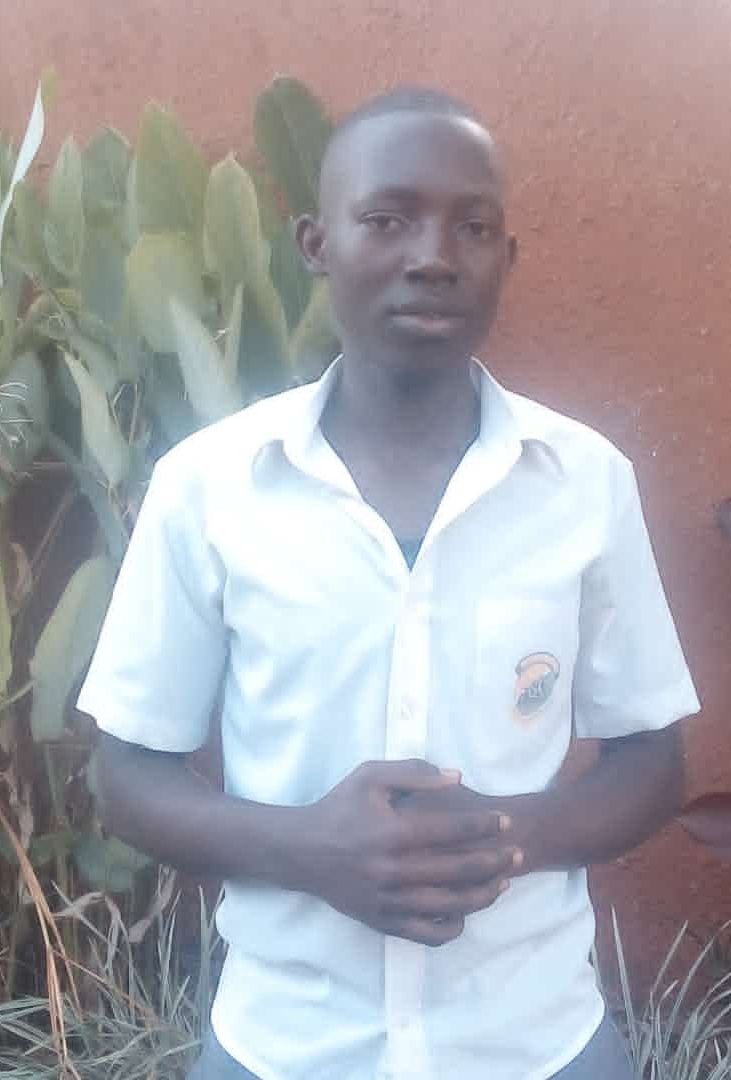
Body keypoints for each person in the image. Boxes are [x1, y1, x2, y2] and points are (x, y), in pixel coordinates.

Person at [77, 88, 700, 1079]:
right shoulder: (210, 485)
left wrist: (504, 835)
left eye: (474, 227)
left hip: (535, 1042)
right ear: (316, 244)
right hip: (286, 1045)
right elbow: (127, 775)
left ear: (507, 258)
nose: (434, 255)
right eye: (388, 218)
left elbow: (651, 761)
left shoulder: (585, 483)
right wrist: (309, 849)